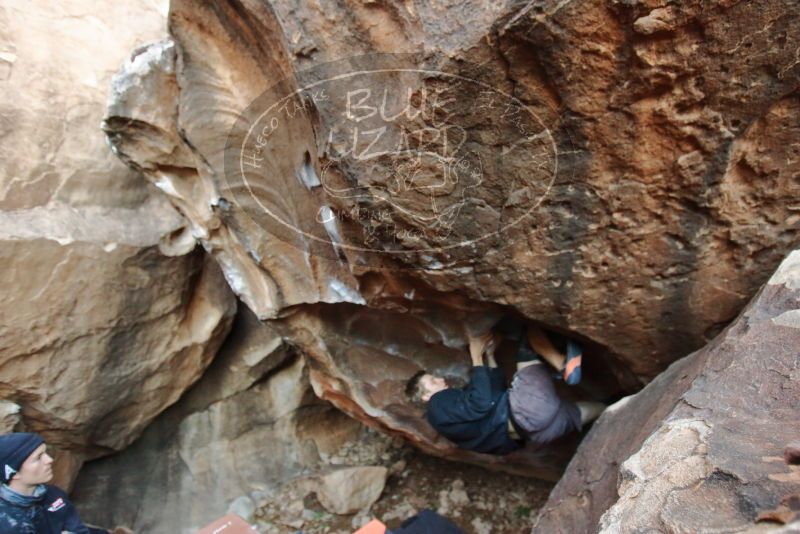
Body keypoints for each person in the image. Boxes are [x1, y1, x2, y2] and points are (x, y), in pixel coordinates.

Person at [408, 323, 605, 455]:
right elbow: (482, 402)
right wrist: (476, 356)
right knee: (530, 338)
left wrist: (490, 355)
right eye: (433, 381)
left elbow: (492, 395)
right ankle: (563, 364)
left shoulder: (451, 421)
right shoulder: (437, 405)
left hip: (538, 432)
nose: (440, 379)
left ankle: (617, 405)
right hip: (527, 410)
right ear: (425, 396)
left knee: (604, 410)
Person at [0, 432, 94, 534]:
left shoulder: (54, 495)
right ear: (13, 473)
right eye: (38, 458)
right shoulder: (5, 521)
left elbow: (80, 530)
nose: (49, 460)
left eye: (46, 452)